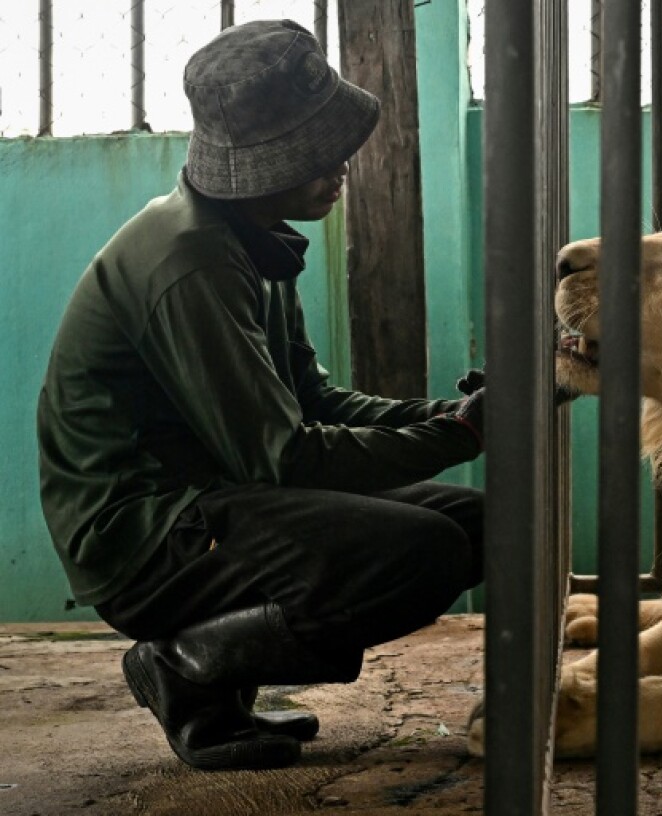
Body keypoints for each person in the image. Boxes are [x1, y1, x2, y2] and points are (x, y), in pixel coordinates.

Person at [36, 19, 487, 771]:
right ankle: (187, 668)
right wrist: (464, 437)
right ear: (263, 162)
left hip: (210, 502)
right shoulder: (190, 261)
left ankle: (216, 674)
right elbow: (283, 454)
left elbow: (313, 402)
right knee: (424, 551)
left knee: (478, 522)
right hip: (143, 539)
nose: (341, 162)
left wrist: (452, 416)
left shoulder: (248, 239)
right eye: (319, 149)